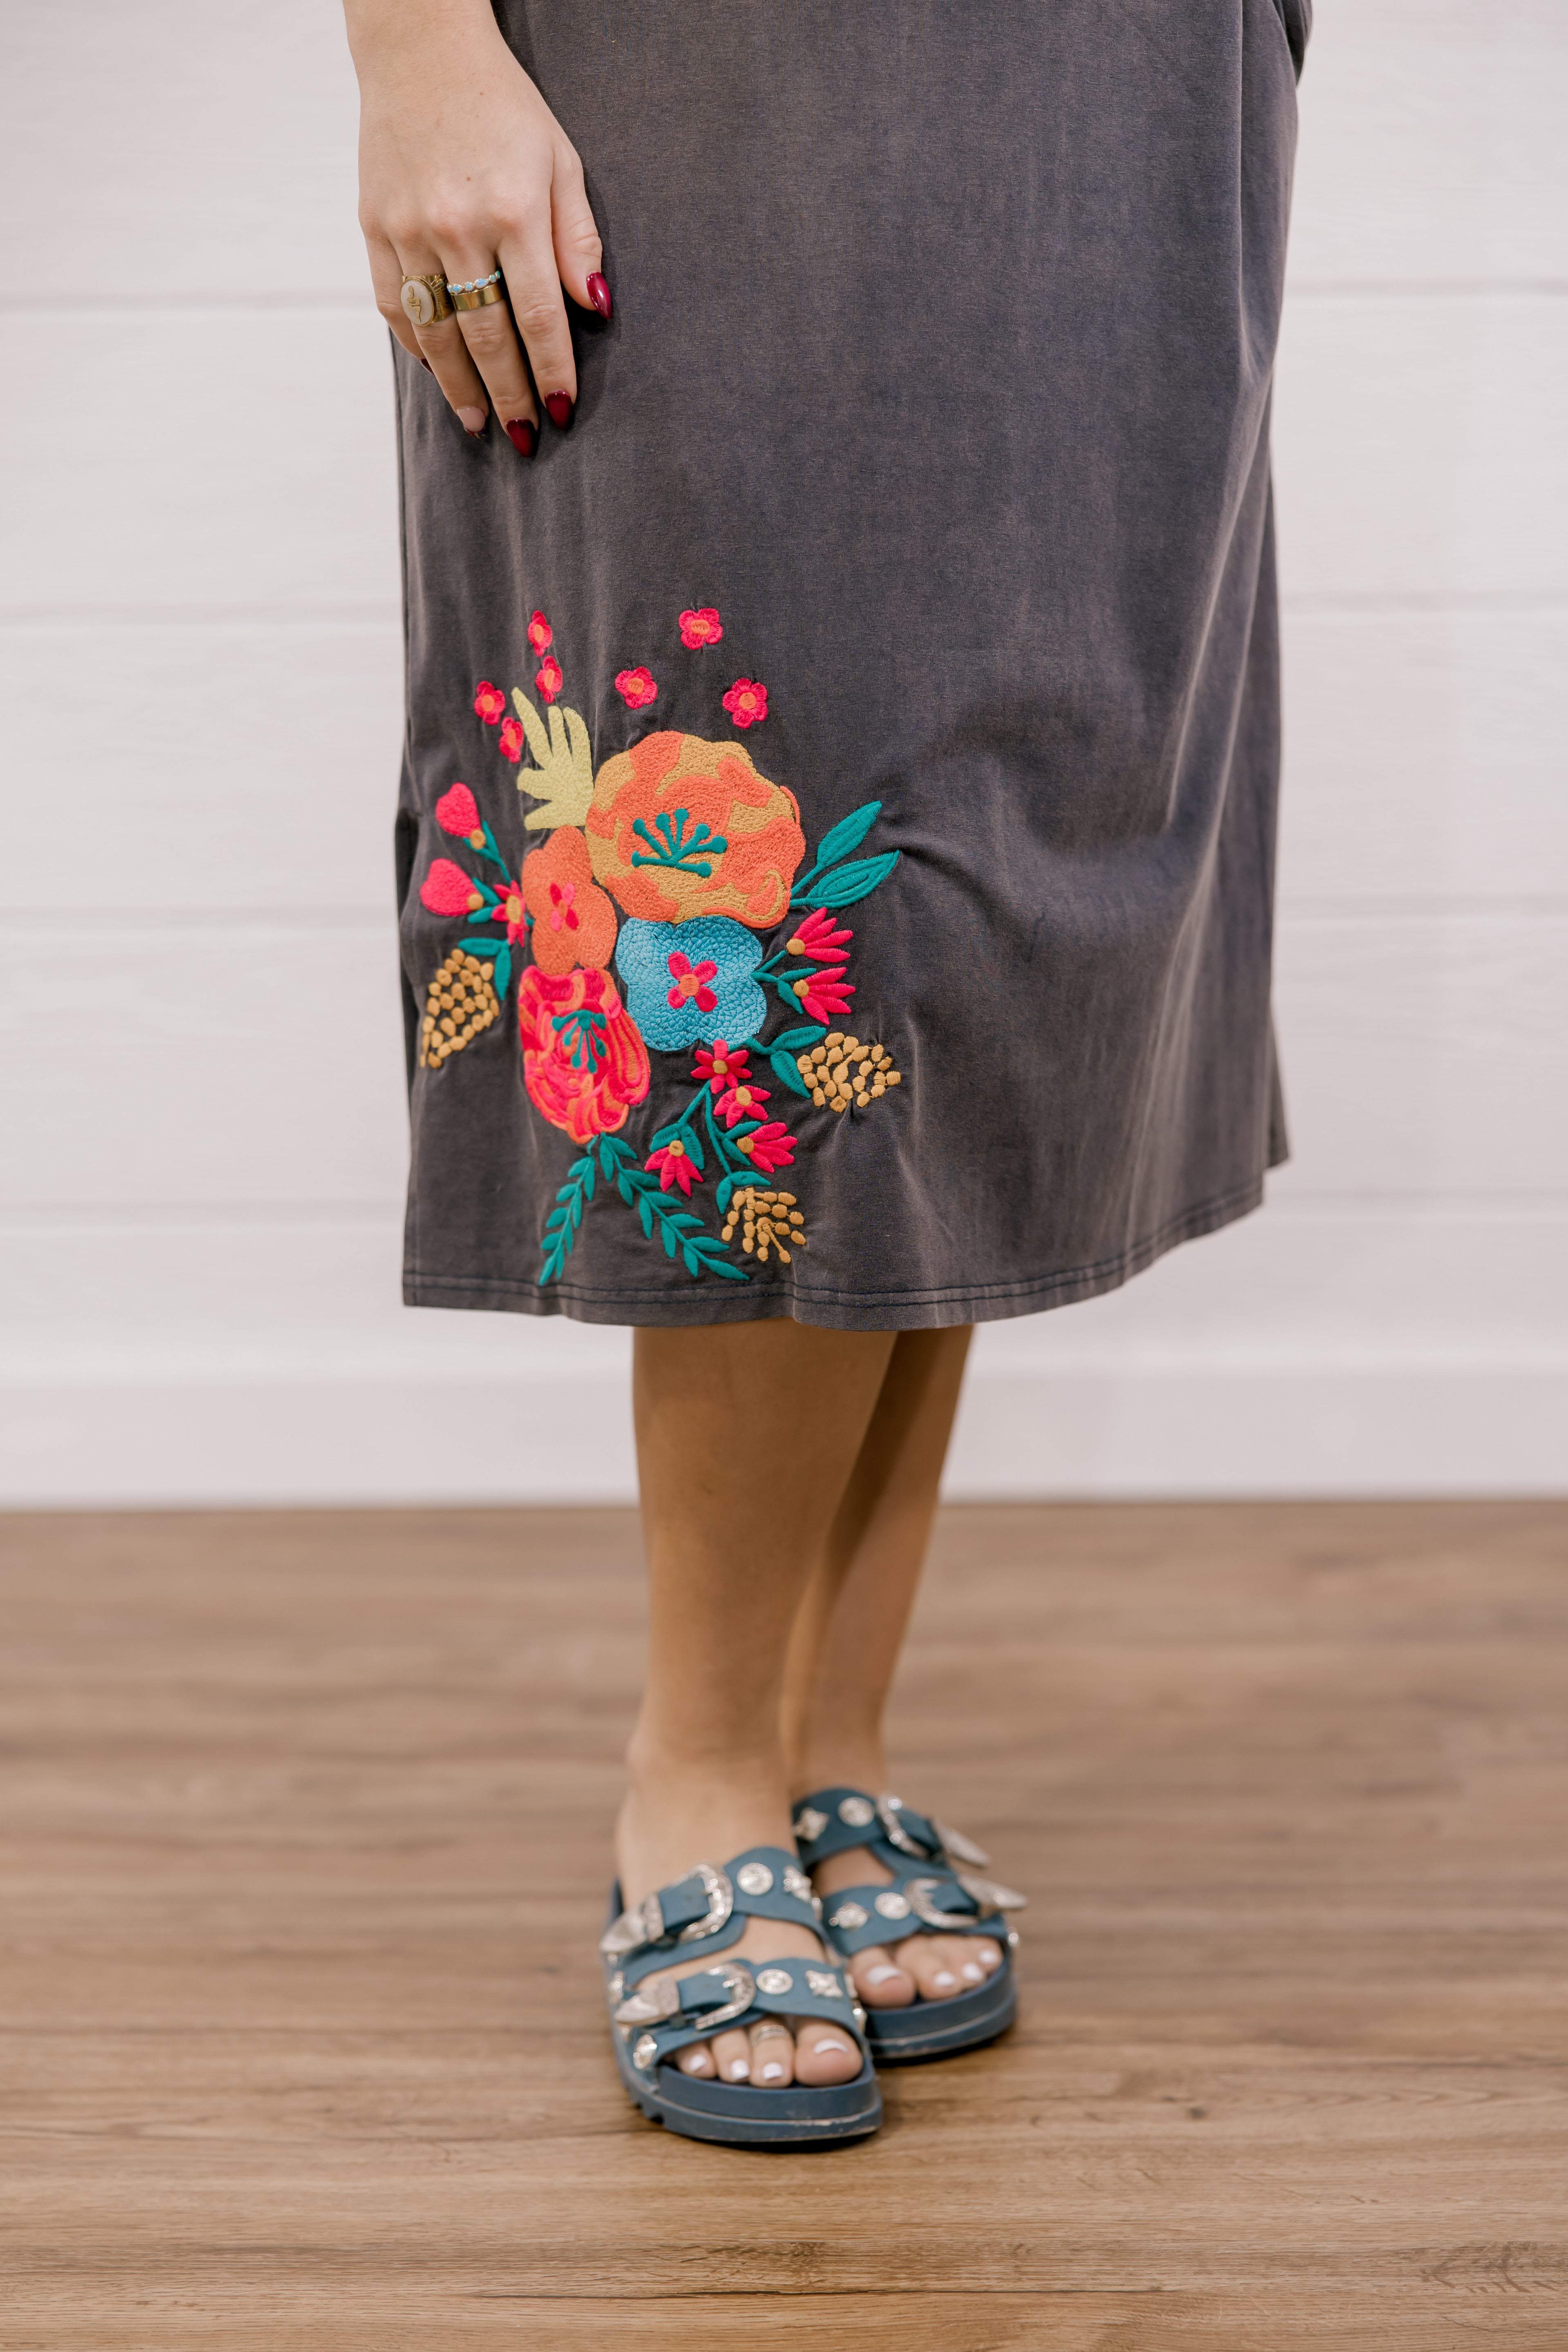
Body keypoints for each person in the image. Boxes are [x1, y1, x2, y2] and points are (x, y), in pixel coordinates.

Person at [342, 0, 1307, 2146]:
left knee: (972, 887)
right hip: (723, 68)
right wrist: (411, 43)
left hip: (1120, 85)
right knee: (759, 865)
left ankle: (817, 1742)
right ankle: (689, 1772)